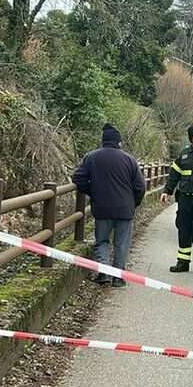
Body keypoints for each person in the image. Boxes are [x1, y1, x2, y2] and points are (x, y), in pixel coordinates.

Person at [72, 123, 146, 287]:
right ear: (119, 142)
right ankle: (118, 276)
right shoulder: (129, 159)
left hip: (102, 207)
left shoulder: (92, 157)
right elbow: (140, 187)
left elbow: (77, 178)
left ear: (103, 141)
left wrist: (92, 192)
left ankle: (103, 272)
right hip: (125, 209)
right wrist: (134, 203)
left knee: (102, 241)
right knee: (122, 243)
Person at [161, 125, 193, 275]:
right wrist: (166, 191)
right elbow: (174, 175)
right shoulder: (184, 154)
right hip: (185, 199)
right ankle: (183, 262)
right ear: (190, 137)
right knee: (183, 230)